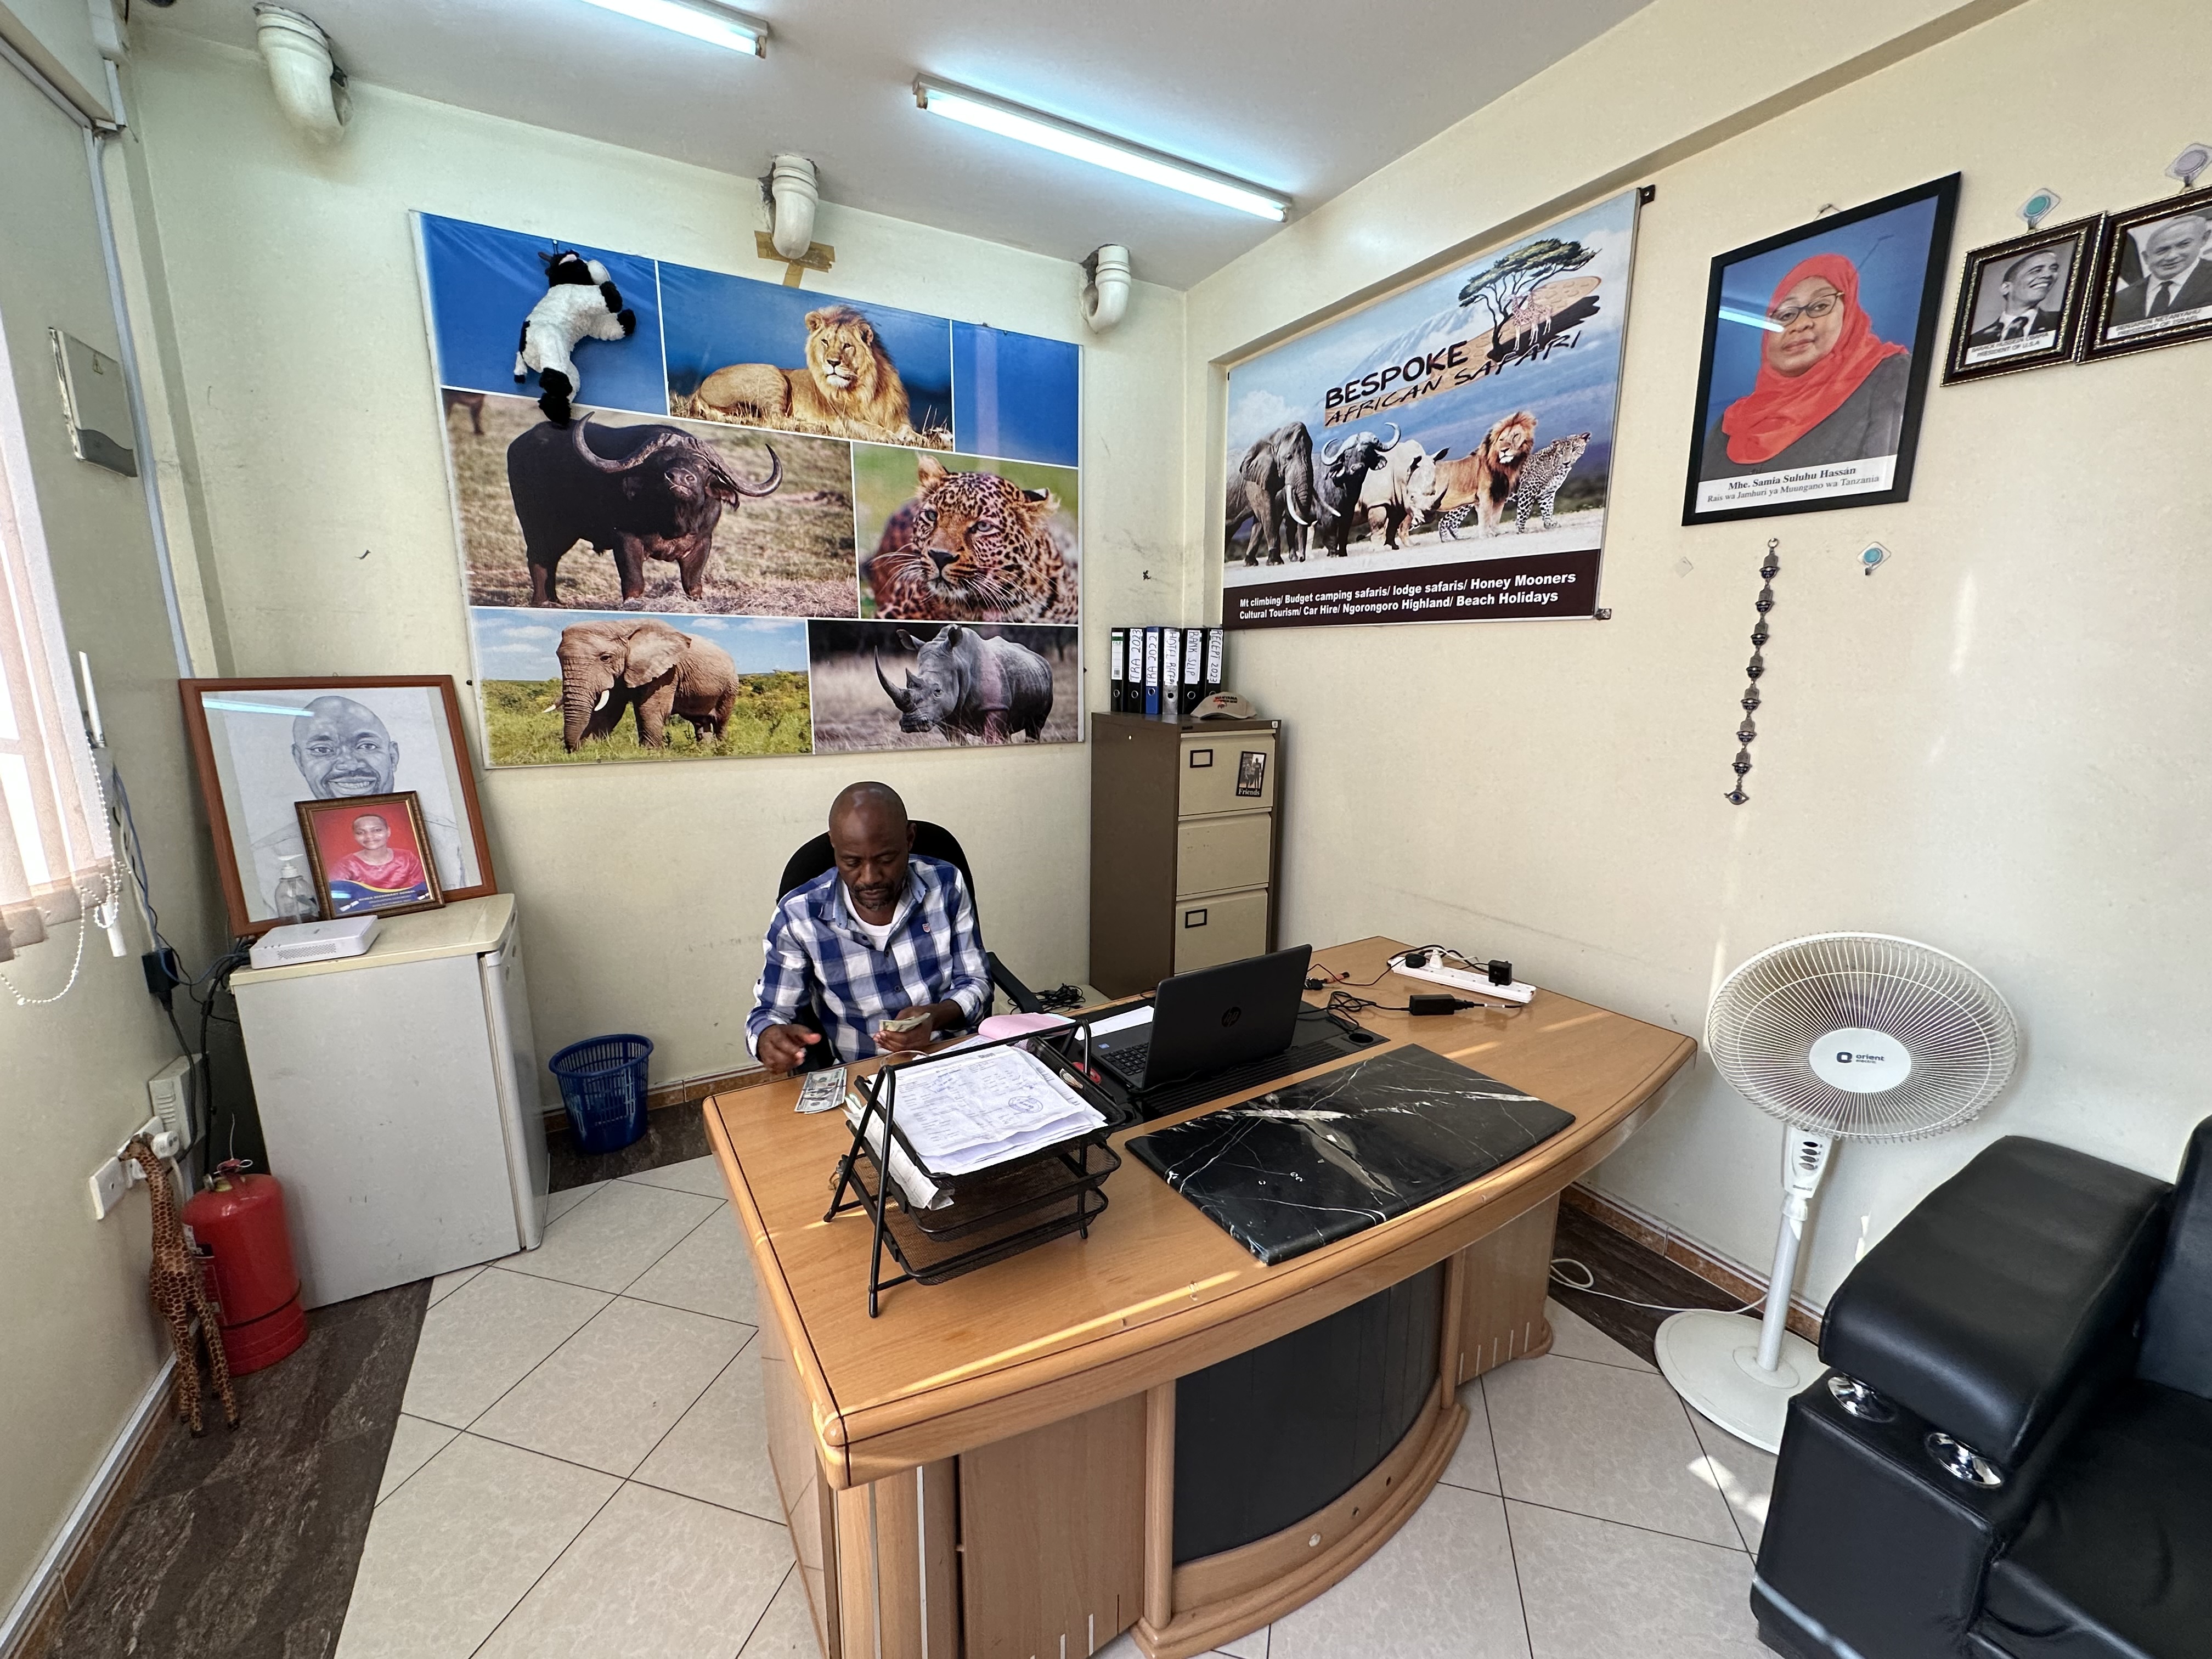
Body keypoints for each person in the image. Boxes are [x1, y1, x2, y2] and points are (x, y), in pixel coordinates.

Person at [747, 782, 991, 1070]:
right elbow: (771, 1012)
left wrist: (934, 1017)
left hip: (952, 1054)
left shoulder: (946, 884)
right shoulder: (799, 915)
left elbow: (976, 981)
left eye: (886, 859)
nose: (870, 877)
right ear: (834, 846)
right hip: (865, 1071)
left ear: (909, 839)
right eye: (852, 862)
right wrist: (767, 1037)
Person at [245, 695, 463, 917]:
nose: (349, 764)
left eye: (367, 746)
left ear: (393, 756)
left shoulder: (452, 841)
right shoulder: (266, 862)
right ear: (300, 761)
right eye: (322, 749)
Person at [1701, 253, 1911, 480]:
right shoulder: (1732, 422)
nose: (1799, 325)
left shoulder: (1888, 375)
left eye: (1820, 306)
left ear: (1849, 312)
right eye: (1786, 315)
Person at [2107, 213, 2212, 328]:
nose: (2172, 256)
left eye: (2183, 245)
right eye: (2162, 251)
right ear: (2146, 258)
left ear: (2203, 240)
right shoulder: (2120, 300)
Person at [324, 811, 430, 912]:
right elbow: (337, 899)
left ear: (388, 832)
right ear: (355, 836)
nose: (369, 837)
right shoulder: (346, 864)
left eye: (377, 830)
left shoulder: (406, 857)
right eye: (360, 833)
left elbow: (421, 890)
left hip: (405, 908)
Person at [1967, 247, 2069, 347]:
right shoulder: (1977, 340)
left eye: (2053, 269)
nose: (2048, 275)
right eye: (2037, 270)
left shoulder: (2063, 321)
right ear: (2006, 288)